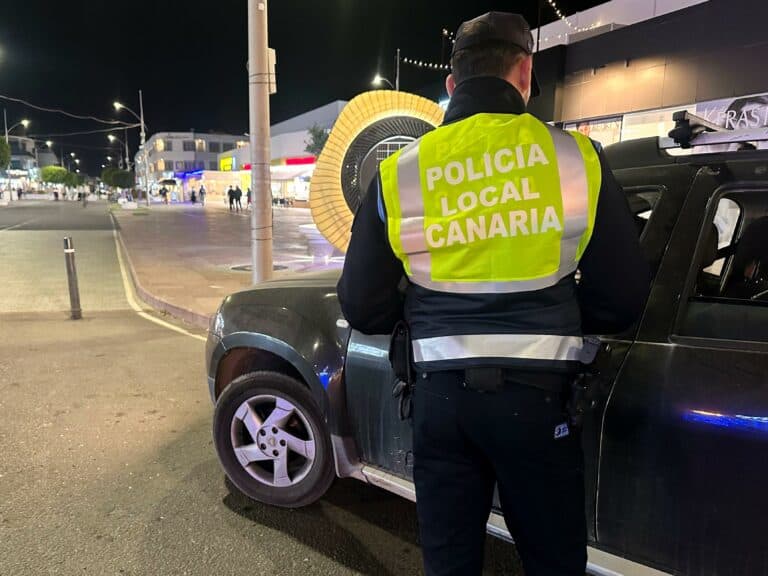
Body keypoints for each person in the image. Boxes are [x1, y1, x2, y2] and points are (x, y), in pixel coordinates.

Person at [337, 12, 649, 576]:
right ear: (525, 73)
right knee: (552, 561)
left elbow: (361, 304)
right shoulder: (575, 158)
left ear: (451, 84)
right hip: (540, 405)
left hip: (440, 403)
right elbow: (623, 300)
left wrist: (421, 308)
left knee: (450, 562)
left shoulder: (401, 172)